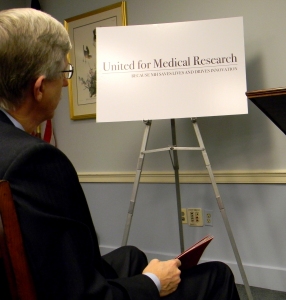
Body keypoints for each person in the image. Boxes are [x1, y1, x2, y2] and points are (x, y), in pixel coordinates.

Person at [0, 8, 240, 300]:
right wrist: (152, 282)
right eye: (64, 73)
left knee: (131, 256)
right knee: (216, 275)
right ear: (38, 88)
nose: (66, 82)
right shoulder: (35, 162)